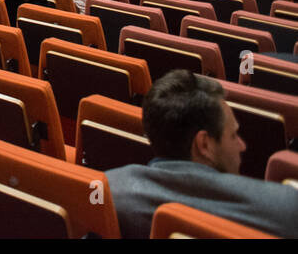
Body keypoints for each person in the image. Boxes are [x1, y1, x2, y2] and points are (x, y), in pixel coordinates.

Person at [106, 71, 298, 238]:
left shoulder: (110, 190)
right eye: (233, 135)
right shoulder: (286, 207)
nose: (242, 146)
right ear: (204, 144)